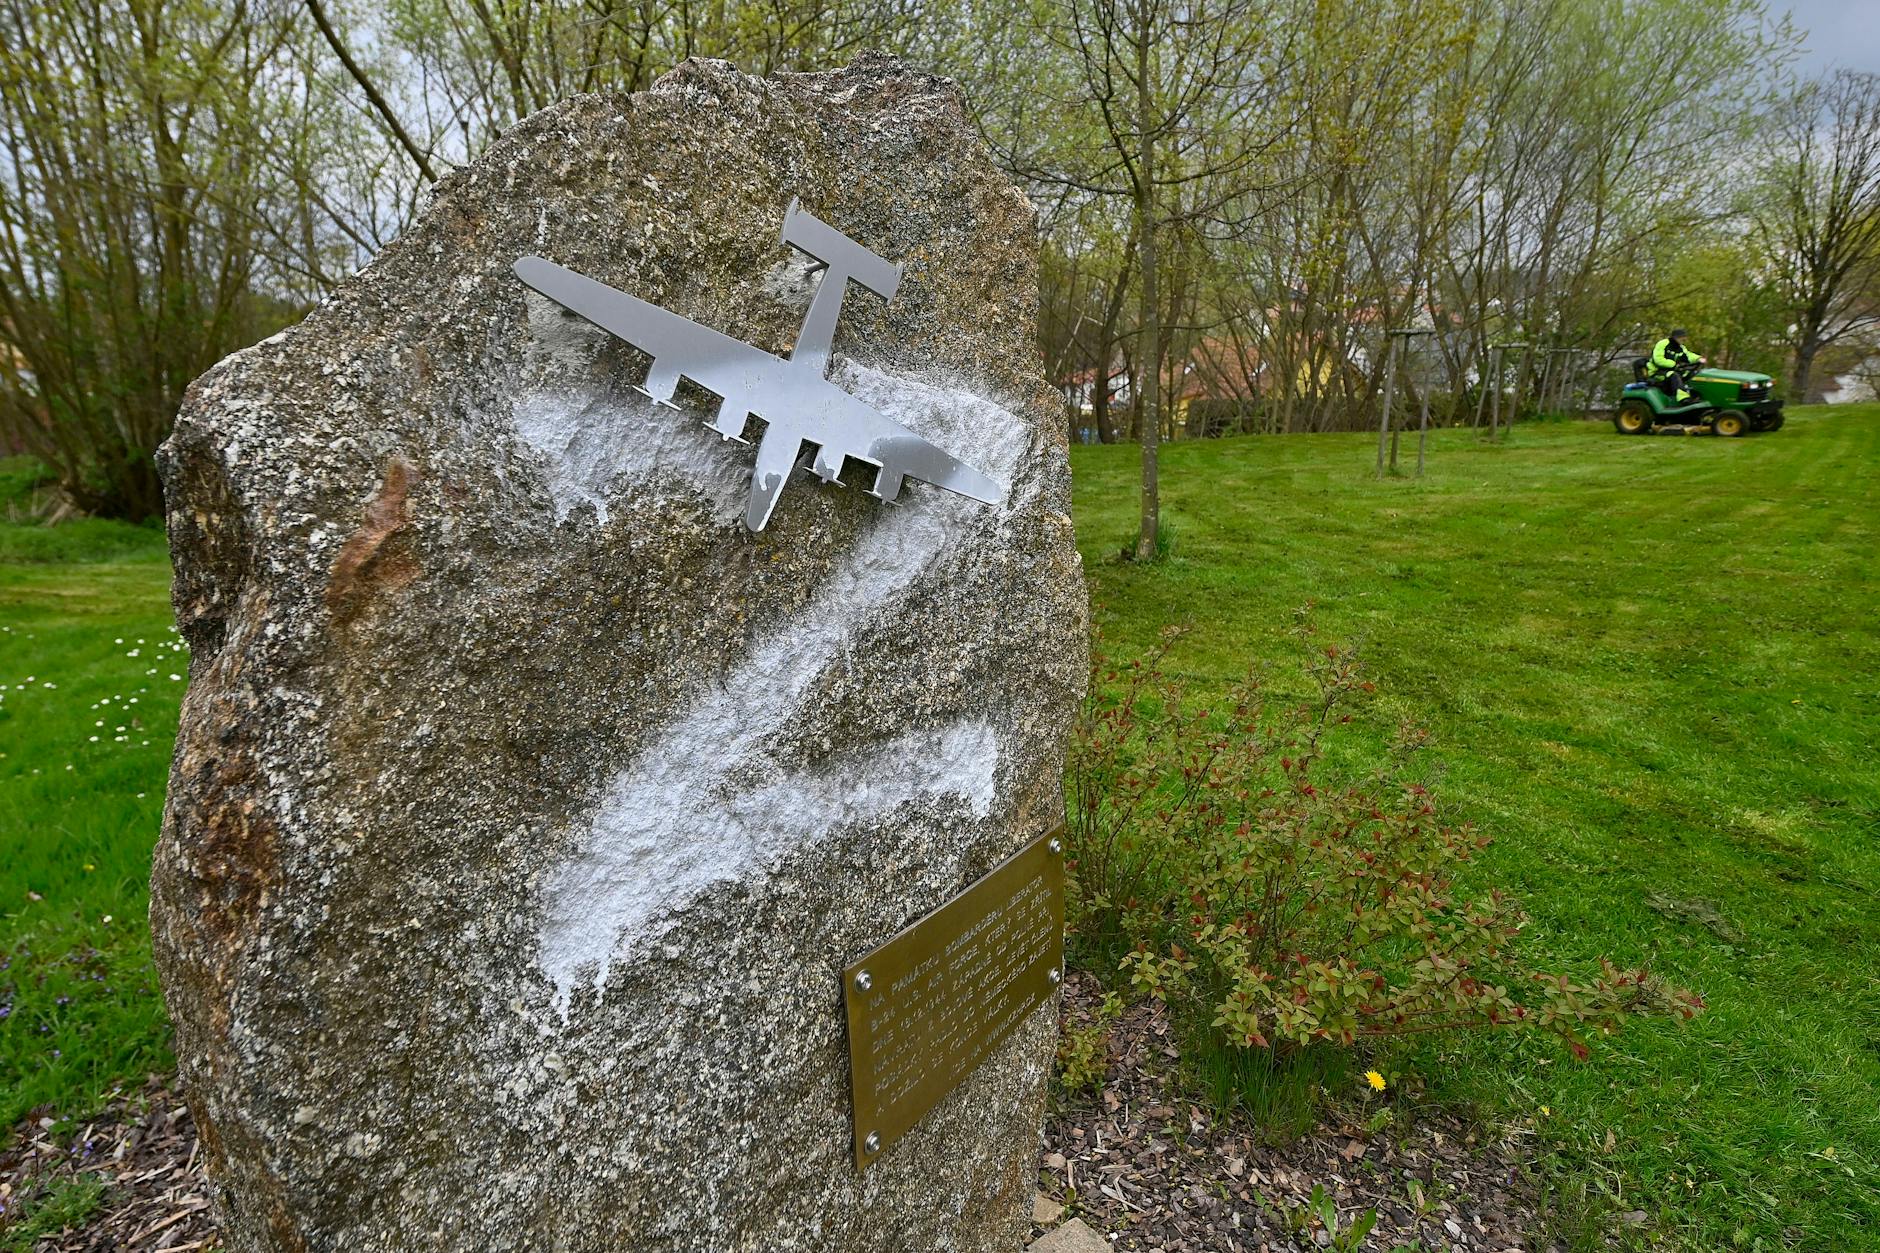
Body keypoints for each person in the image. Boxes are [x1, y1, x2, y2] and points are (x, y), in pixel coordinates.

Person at [1649, 329, 1705, 403]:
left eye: (1685, 337)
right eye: (1682, 337)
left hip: (1672, 370)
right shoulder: (1663, 344)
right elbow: (1658, 359)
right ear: (1675, 337)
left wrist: (1698, 358)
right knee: (1674, 375)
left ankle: (1695, 395)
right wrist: (1673, 364)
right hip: (1657, 372)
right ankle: (1683, 399)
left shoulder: (1680, 347)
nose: (1684, 339)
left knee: (1691, 374)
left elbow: (1688, 356)